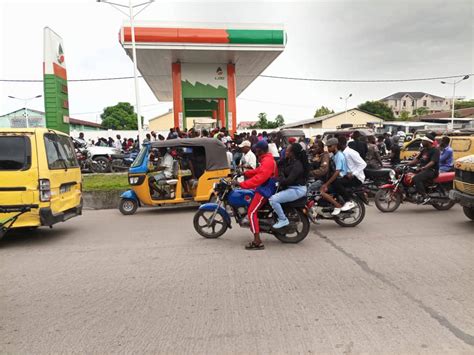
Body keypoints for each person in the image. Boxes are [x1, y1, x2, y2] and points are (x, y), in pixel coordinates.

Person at [239, 140, 278, 250]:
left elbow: (259, 178)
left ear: (261, 150)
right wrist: (245, 173)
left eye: (256, 149)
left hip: (265, 190)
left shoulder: (267, 161)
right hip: (264, 187)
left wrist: (242, 184)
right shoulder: (266, 159)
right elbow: (258, 171)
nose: (255, 151)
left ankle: (257, 241)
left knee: (251, 212)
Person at [269, 143, 309, 229]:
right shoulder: (289, 161)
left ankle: (283, 219)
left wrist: (279, 179)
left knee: (273, 199)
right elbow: (278, 166)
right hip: (292, 188)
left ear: (292, 153)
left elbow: (289, 180)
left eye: (287, 151)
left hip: (297, 190)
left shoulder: (297, 165)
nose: (285, 152)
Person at [319, 138, 354, 216]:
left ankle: (345, 202)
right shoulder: (334, 155)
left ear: (335, 146)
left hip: (341, 177)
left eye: (329, 146)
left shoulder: (339, 156)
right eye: (327, 147)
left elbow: (337, 172)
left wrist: (326, 184)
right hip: (337, 177)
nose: (328, 148)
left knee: (322, 191)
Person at [408, 136, 440, 204]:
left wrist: (425, 167)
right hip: (423, 170)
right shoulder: (424, 150)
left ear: (428, 142)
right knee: (408, 174)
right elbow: (417, 159)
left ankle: (425, 196)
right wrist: (407, 164)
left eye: (423, 140)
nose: (422, 142)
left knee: (416, 178)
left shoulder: (435, 150)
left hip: (432, 170)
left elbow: (433, 162)